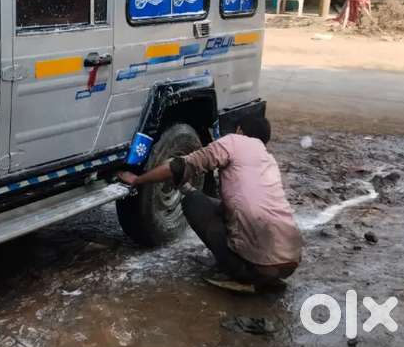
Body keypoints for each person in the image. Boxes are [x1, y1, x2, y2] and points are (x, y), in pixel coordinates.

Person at [117, 116, 302, 292]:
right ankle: (266, 276)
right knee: (220, 206)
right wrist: (187, 186)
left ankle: (242, 275)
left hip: (258, 265)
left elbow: (179, 166)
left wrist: (138, 179)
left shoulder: (233, 142)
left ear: (239, 130)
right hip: (290, 261)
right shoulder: (268, 159)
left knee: (193, 202)